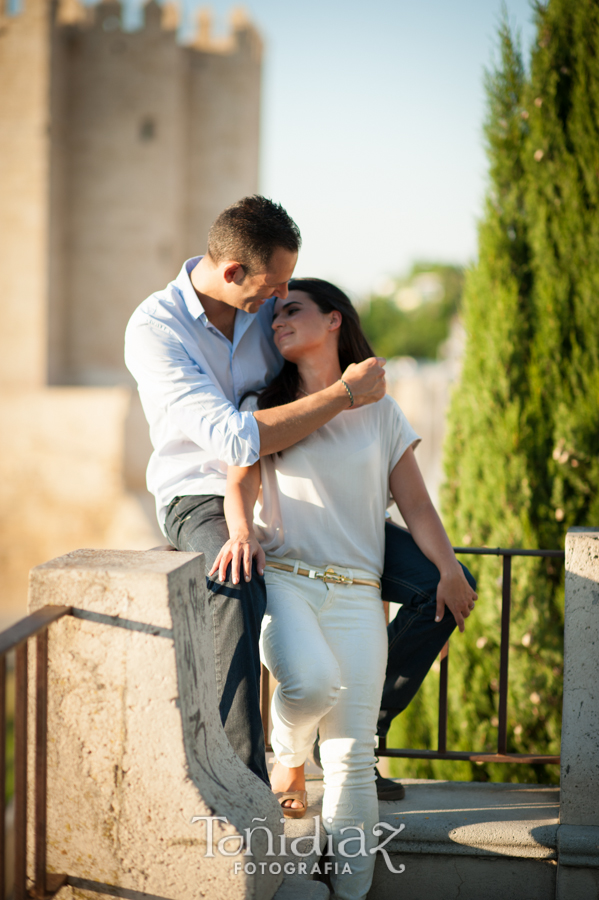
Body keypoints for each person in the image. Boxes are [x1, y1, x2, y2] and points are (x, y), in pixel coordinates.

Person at [124, 194, 476, 793]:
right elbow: (234, 439)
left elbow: (312, 356)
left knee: (436, 586)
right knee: (234, 584)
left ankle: (356, 739)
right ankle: (244, 783)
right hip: (203, 495)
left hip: (288, 497)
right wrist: (343, 394)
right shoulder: (157, 329)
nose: (277, 303)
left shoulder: (263, 308)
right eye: (272, 288)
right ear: (234, 272)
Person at [209, 278, 477, 900]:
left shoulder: (382, 413)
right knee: (308, 683)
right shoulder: (263, 404)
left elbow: (415, 502)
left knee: (355, 759)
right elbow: (239, 481)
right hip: (286, 580)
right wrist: (242, 530)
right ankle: (289, 755)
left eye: (293, 310)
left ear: (334, 321)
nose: (278, 321)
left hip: (359, 593)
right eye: (273, 315)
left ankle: (348, 893)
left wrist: (447, 568)